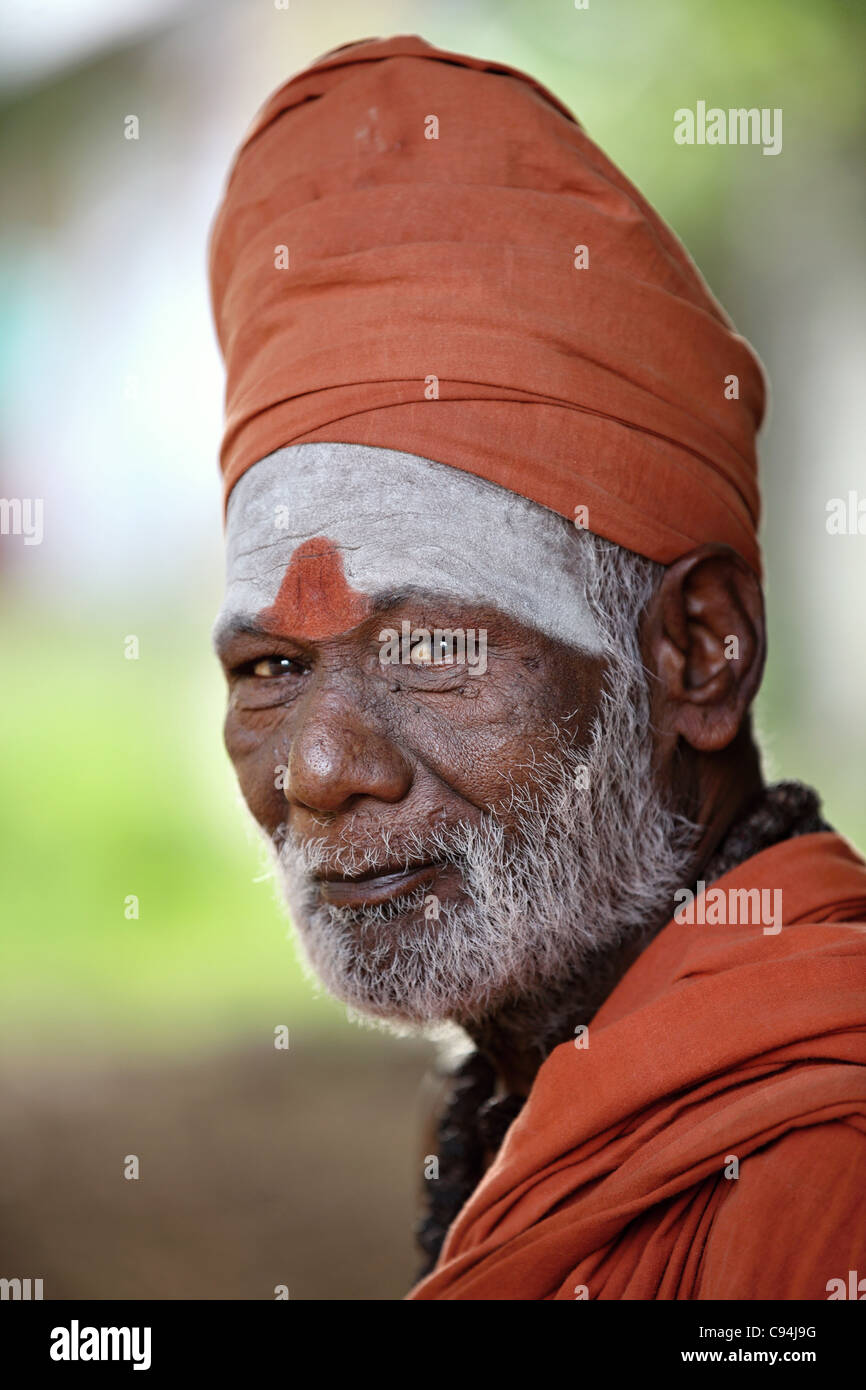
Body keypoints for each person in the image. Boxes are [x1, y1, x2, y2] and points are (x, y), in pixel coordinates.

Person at [208, 34, 866, 1300]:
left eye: (432, 649)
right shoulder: (517, 1119)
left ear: (696, 654)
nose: (320, 770)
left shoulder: (818, 1179)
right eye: (272, 666)